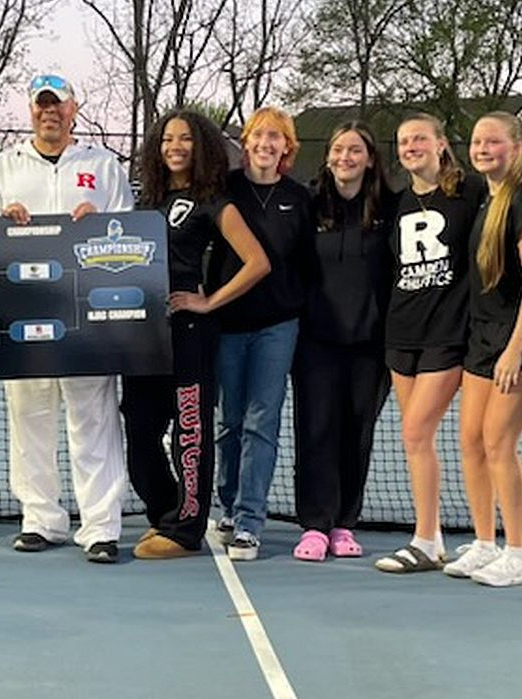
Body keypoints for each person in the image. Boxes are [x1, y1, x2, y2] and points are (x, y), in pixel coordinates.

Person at [0, 74, 132, 563]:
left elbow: (126, 237)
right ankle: (41, 520)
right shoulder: (2, 167)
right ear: (30, 111)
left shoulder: (104, 166)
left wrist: (102, 221)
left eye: (58, 105)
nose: (50, 113)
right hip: (24, 323)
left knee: (95, 421)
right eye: (42, 105)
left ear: (73, 110)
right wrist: (2, 225)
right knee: (30, 420)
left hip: (87, 322)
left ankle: (101, 527)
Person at [127, 110, 271, 559]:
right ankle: (167, 512)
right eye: (167, 138)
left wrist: (207, 301)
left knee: (190, 429)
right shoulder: (145, 199)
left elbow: (257, 262)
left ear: (201, 145)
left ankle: (187, 528)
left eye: (185, 138)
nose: (175, 146)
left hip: (189, 330)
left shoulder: (213, 200)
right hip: (143, 333)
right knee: (138, 427)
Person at [375, 113, 486, 574]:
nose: (410, 146)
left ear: (441, 144)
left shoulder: (471, 194)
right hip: (402, 335)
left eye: (420, 138)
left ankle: (425, 539)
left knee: (416, 432)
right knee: (417, 440)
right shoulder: (396, 203)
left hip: (448, 335)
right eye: (403, 141)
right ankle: (433, 537)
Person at [446, 111, 522, 586]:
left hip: (514, 346)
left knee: (499, 444)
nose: (483, 149)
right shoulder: (487, 201)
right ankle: (485, 543)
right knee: (470, 442)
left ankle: (520, 554)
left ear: (516, 148)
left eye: (493, 142)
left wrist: (515, 349)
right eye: (477, 142)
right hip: (479, 342)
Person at [211, 107, 311, 561]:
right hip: (228, 324)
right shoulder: (223, 189)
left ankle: (251, 521)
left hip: (278, 327)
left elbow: (311, 264)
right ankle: (228, 504)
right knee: (230, 421)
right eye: (259, 135)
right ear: (246, 141)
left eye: (276, 137)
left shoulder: (299, 198)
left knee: (260, 422)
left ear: (287, 147)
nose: (266, 144)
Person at [290, 121, 393, 562]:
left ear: (370, 158)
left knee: (357, 434)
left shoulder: (393, 207)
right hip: (315, 343)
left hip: (371, 346)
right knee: (315, 433)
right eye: (337, 149)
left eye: (355, 150)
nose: (345, 157)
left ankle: (344, 525)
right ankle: (314, 524)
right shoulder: (308, 205)